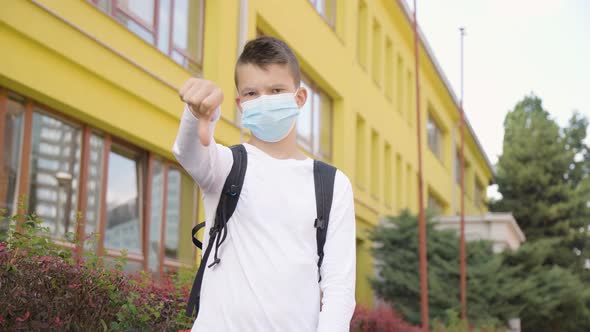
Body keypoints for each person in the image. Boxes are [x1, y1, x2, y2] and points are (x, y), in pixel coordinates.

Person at [173, 36, 356, 332]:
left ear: (299, 98)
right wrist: (196, 114)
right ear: (240, 104)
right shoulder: (226, 167)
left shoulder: (332, 184)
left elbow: (339, 288)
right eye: (252, 93)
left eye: (276, 90)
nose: (264, 100)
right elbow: (189, 152)